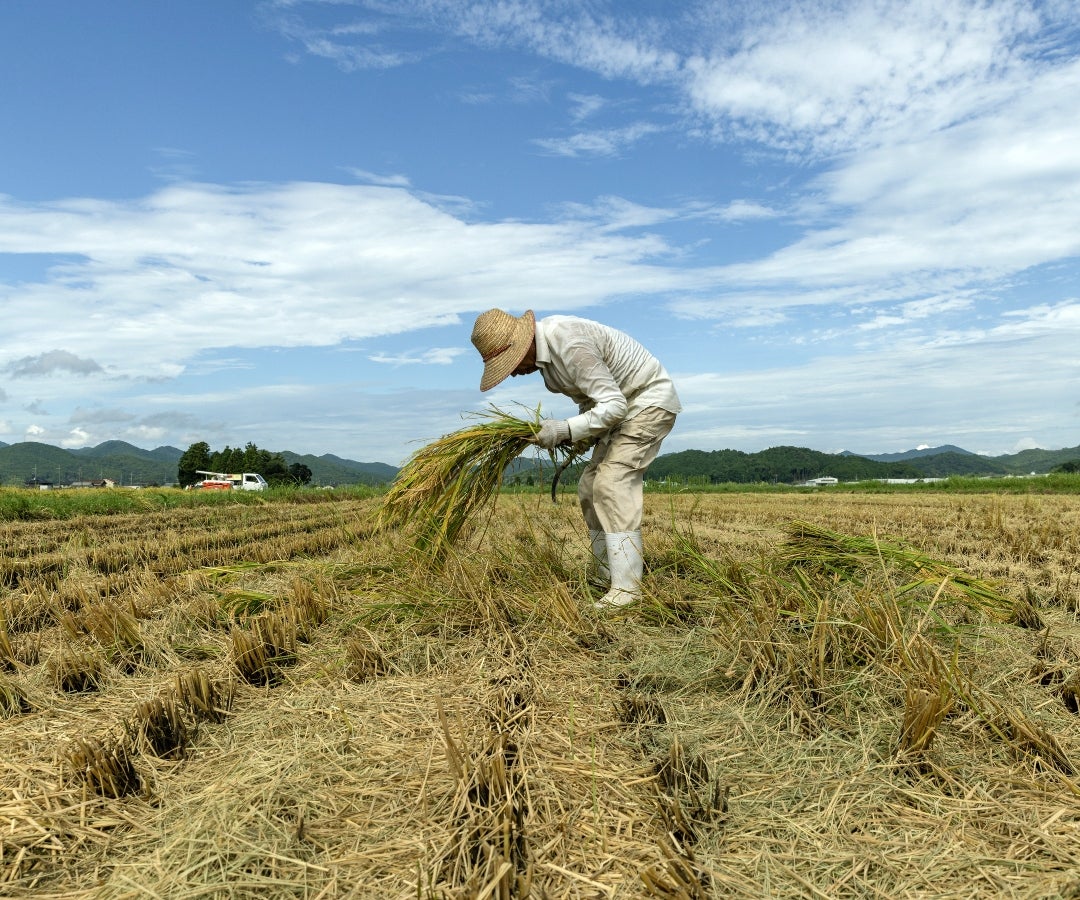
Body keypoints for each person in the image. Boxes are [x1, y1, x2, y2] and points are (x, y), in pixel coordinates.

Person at [470, 308, 681, 608]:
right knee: (588, 488)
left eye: (511, 364)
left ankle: (628, 590)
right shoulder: (549, 368)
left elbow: (614, 405)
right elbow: (591, 402)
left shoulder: (569, 344)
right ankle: (604, 574)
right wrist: (575, 435)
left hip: (646, 402)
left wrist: (565, 429)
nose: (513, 373)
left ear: (524, 344)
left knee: (612, 484)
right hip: (621, 410)